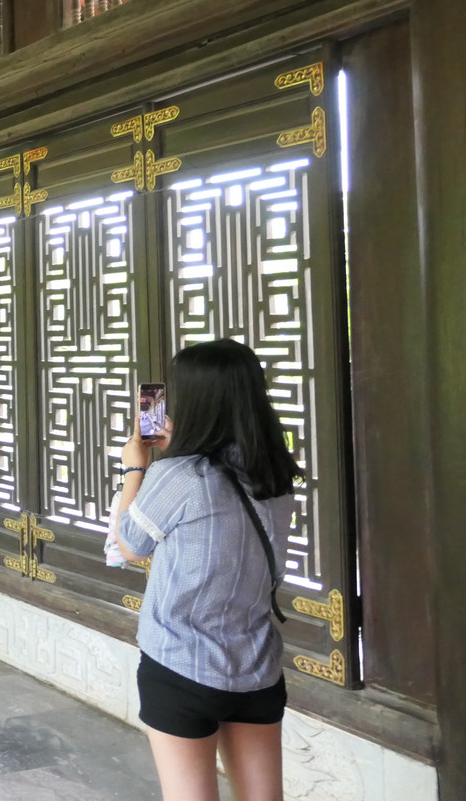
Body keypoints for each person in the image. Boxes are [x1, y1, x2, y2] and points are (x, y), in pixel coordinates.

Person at [114, 339, 300, 801]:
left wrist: (135, 469)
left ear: (192, 401)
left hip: (180, 664)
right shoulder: (275, 477)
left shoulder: (180, 475)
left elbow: (130, 545)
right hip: (256, 666)